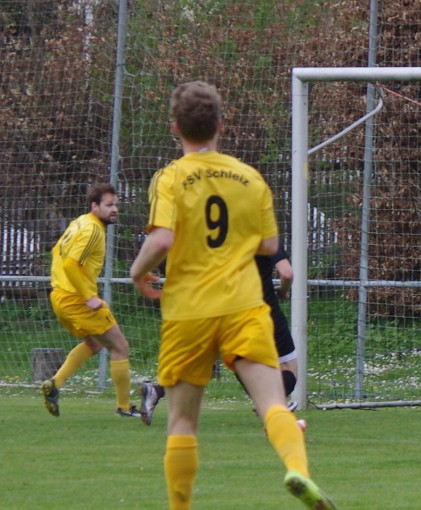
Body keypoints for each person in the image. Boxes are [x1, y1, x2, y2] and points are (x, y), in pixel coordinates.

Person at [129, 80, 335, 509]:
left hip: (190, 309)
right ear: (221, 125)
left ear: (175, 127)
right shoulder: (250, 177)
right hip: (244, 306)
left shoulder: (170, 177)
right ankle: (298, 469)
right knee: (273, 405)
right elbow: (269, 246)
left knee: (183, 420)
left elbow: (163, 239)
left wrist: (138, 272)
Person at [139, 247, 302, 426]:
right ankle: (271, 405)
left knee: (208, 362)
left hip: (222, 309)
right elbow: (286, 273)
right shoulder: (262, 231)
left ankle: (157, 390)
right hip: (261, 312)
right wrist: (284, 291)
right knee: (288, 368)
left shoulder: (222, 234)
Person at [41, 182, 139, 418]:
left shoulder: (79, 222)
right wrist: (88, 296)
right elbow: (71, 263)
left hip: (60, 296)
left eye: (116, 204)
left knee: (94, 344)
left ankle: (55, 384)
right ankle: (124, 408)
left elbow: (57, 252)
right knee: (120, 347)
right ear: (94, 206)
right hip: (76, 299)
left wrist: (63, 287)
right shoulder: (93, 230)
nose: (114, 209)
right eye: (109, 205)